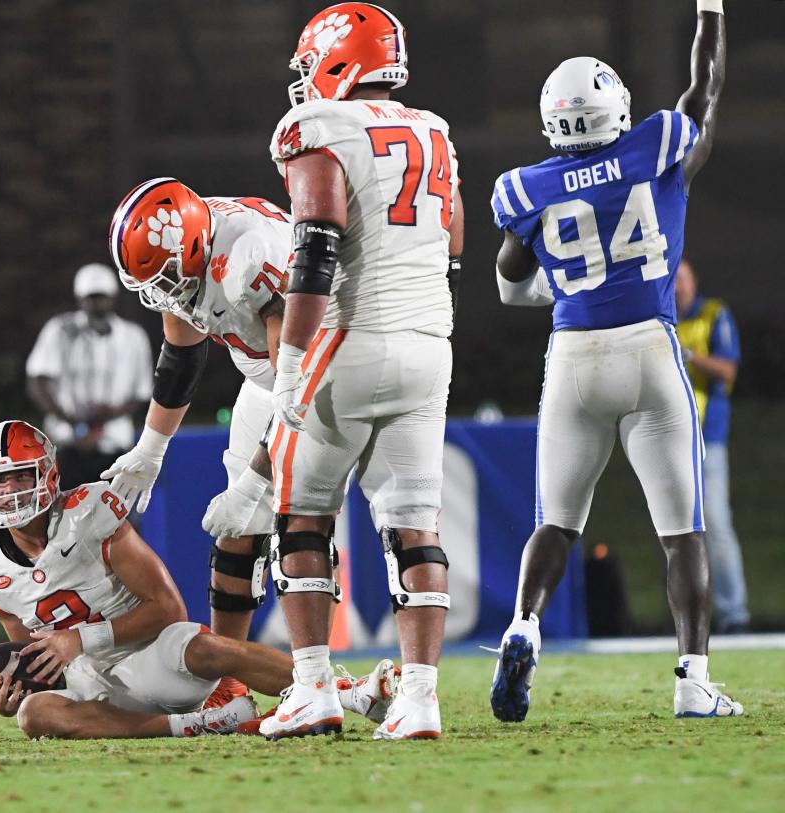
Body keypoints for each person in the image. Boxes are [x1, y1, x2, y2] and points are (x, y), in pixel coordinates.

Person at [488, 0, 741, 720]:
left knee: (557, 522)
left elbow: (509, 283)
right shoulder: (655, 144)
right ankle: (692, 677)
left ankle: (523, 624)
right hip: (650, 350)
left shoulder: (526, 187)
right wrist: (711, 13)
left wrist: (559, 286)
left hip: (571, 357)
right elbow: (706, 88)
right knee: (682, 529)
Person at [230, 2, 464, 741]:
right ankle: (420, 696)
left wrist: (292, 362)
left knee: (301, 516)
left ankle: (312, 688)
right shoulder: (434, 130)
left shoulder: (317, 129)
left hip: (350, 339)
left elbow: (317, 248)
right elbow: (452, 235)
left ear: (337, 59)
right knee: (414, 526)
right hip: (430, 340)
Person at [0, 420, 394, 739]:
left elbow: (168, 610)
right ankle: (200, 725)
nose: (11, 490)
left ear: (48, 475)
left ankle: (354, 694)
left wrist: (80, 640)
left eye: (21, 475)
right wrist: (12, 689)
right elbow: (29, 651)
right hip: (91, 686)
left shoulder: (91, 513)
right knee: (34, 716)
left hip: (151, 659)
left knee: (204, 645)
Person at [100, 180, 292, 694]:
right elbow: (182, 355)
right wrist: (150, 450)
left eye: (166, 275)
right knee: (239, 535)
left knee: (298, 526)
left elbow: (299, 387)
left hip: (324, 370)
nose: (162, 292)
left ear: (191, 247)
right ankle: (229, 684)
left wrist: (252, 484)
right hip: (267, 378)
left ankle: (320, 682)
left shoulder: (251, 257)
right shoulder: (187, 247)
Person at [26, 263, 154, 490]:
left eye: (101, 297)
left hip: (114, 442)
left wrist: (109, 414)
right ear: (80, 298)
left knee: (116, 516)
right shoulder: (60, 330)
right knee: (63, 513)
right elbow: (38, 380)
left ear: (113, 297)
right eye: (90, 298)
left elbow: (143, 393)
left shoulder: (133, 337)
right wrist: (71, 421)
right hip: (66, 441)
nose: (96, 304)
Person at [675, 258, 749, 633]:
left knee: (717, 524)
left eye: (682, 278)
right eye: (672, 279)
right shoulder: (660, 321)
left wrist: (689, 356)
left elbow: (729, 369)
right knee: (675, 529)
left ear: (694, 281)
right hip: (670, 440)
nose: (677, 286)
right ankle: (683, 616)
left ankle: (734, 613)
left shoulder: (713, 314)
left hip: (708, 437)